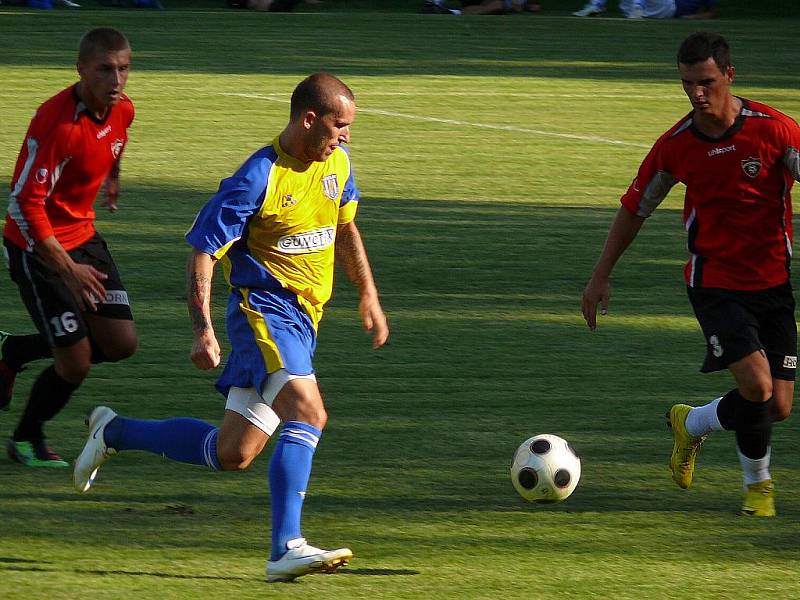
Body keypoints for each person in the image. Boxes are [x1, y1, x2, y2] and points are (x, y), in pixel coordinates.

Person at [73, 73, 390, 582]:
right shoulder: (257, 177)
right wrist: (202, 329)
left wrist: (369, 294)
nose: (346, 136)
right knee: (308, 413)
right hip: (263, 315)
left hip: (304, 321)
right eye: (339, 125)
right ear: (309, 119)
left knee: (231, 453)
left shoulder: (336, 164)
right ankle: (286, 547)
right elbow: (202, 251)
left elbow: (345, 226)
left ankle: (114, 431)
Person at [581, 32, 800, 516]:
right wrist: (601, 275)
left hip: (774, 283)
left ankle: (693, 423)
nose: (696, 94)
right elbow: (635, 208)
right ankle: (758, 491)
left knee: (778, 406)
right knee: (758, 388)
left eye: (705, 82)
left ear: (729, 76)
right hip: (715, 285)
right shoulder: (676, 145)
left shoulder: (775, 130)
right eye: (687, 84)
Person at [2, 28, 137, 468]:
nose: (116, 79)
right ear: (81, 69)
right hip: (36, 247)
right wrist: (66, 270)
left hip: (84, 237)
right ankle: (26, 439)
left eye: (123, 69)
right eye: (105, 69)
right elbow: (23, 204)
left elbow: (116, 141)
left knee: (119, 344)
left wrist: (112, 176)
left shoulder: (122, 110)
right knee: (75, 363)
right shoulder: (56, 123)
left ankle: (14, 351)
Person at [574, 0, 715, 18]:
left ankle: (637, 7)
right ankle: (596, 5)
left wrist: (686, 18)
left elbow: (711, 13)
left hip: (670, 6)